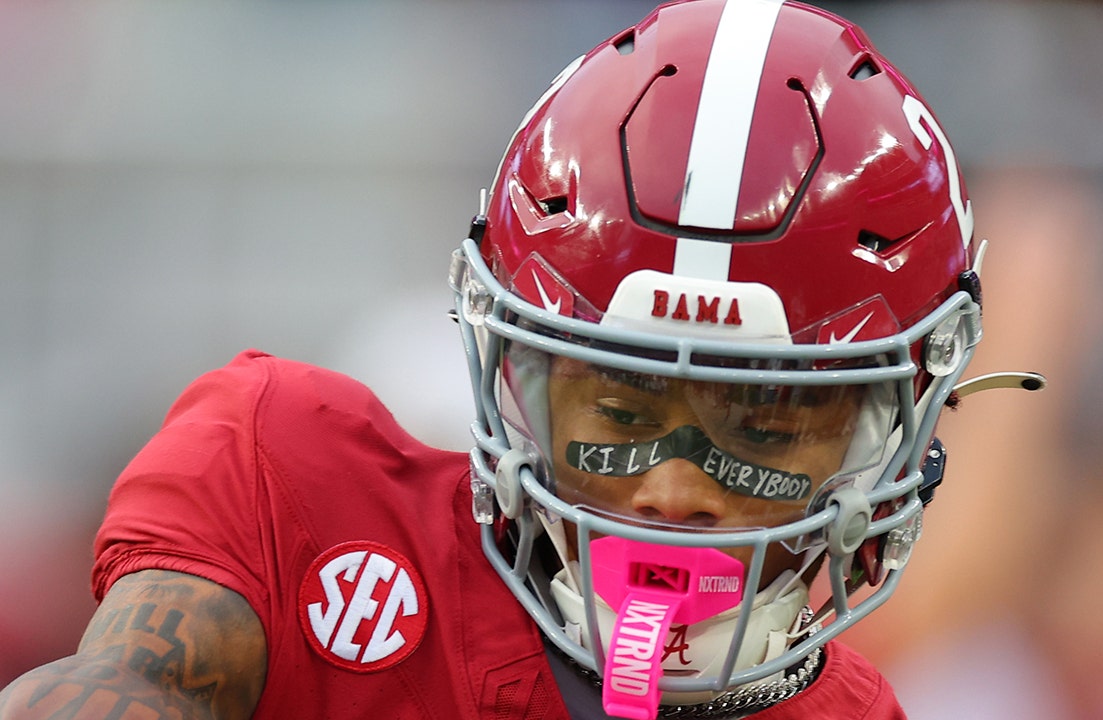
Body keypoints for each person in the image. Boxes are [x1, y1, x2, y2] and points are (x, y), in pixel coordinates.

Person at [0, 1, 1041, 718]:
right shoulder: (296, 489)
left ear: (891, 425)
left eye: (761, 426)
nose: (673, 490)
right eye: (620, 414)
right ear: (516, 374)